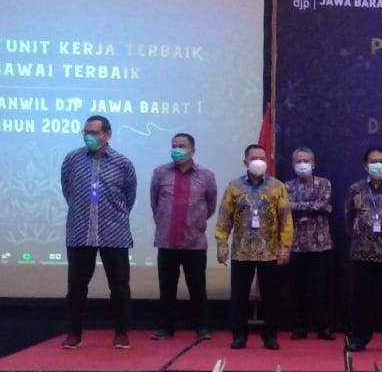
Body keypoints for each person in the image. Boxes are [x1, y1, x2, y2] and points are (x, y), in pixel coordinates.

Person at [60, 115, 138, 350]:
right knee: (76, 288)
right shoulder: (72, 159)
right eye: (86, 132)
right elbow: (67, 190)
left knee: (119, 287)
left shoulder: (123, 163)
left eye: (94, 132)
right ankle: (74, 334)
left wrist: (112, 215)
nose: (89, 136)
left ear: (107, 135)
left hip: (114, 233)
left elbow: (129, 197)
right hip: (80, 232)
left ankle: (121, 333)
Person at [215, 144, 292, 350]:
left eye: (262, 158)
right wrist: (221, 243)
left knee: (271, 297)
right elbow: (224, 217)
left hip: (270, 251)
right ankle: (239, 335)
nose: (258, 161)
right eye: (254, 158)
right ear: (245, 162)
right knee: (239, 297)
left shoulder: (277, 187)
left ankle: (270, 336)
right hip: (241, 251)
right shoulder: (234, 187)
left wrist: (285, 246)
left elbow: (285, 219)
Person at [148, 132, 217, 341]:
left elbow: (211, 206)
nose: (177, 150)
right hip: (166, 240)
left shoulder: (206, 175)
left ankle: (202, 327)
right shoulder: (160, 172)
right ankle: (166, 327)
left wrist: (195, 221)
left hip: (194, 242)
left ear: (192, 150)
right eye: (174, 146)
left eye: (182, 146)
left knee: (197, 287)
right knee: (167, 287)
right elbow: (155, 202)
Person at [343, 146, 382, 353]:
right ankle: (359, 338)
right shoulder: (355, 190)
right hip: (361, 252)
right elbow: (348, 219)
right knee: (360, 299)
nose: (378, 165)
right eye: (374, 161)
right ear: (365, 166)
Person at [285, 147, 335, 341]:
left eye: (306, 161)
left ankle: (324, 327)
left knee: (321, 288)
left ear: (313, 164)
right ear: (293, 164)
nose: (303, 164)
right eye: (299, 161)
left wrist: (298, 207)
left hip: (320, 244)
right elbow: (285, 208)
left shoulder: (324, 183)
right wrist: (316, 208)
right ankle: (299, 327)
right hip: (296, 244)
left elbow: (322, 203)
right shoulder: (287, 186)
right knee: (297, 288)